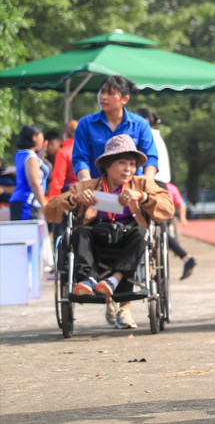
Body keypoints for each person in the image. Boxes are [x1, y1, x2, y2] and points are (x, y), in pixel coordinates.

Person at [44, 135, 174, 329]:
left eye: (131, 164)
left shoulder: (141, 184)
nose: (128, 169)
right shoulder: (89, 186)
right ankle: (88, 278)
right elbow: (49, 210)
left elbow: (168, 209)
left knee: (141, 233)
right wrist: (75, 199)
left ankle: (115, 280)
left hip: (128, 238)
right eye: (122, 163)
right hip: (97, 237)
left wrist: (143, 197)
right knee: (79, 233)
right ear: (106, 165)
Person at [136, 108, 197, 279]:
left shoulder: (147, 137)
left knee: (152, 225)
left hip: (152, 182)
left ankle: (157, 261)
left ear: (146, 120)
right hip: (161, 182)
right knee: (159, 226)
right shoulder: (157, 137)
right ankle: (184, 257)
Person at [72, 75, 158, 181]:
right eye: (102, 92)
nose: (104, 97)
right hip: (96, 190)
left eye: (110, 93)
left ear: (125, 99)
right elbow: (80, 158)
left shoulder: (140, 124)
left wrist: (147, 183)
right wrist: (87, 183)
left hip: (133, 191)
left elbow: (150, 157)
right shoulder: (85, 124)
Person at [9, 125, 50, 220]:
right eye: (41, 137)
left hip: (20, 201)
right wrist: (44, 205)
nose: (42, 140)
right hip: (27, 203)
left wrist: (41, 154)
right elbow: (34, 183)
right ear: (34, 137)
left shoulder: (21, 154)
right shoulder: (31, 158)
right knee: (26, 234)